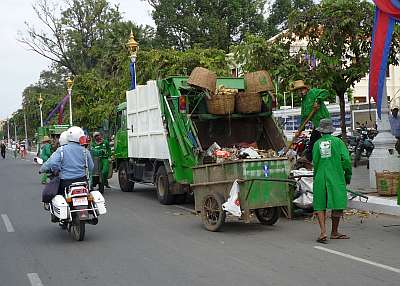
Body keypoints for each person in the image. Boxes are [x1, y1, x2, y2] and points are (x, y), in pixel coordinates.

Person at [312, 118, 352, 244]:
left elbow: (316, 162)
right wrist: (348, 176)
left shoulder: (317, 144)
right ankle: (334, 232)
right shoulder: (338, 142)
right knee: (338, 202)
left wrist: (315, 177)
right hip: (336, 176)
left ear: (321, 131)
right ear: (331, 130)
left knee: (320, 203)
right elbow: (346, 160)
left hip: (320, 176)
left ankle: (323, 232)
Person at [40, 126, 94, 197]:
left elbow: (53, 163)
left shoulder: (61, 150)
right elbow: (91, 167)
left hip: (66, 181)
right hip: (82, 181)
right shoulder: (85, 151)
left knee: (56, 195)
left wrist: (56, 170)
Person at [292, 80, 331, 161]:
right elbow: (304, 117)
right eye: (298, 91)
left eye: (301, 90)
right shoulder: (303, 102)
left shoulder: (313, 92)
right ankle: (312, 158)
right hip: (317, 125)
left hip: (324, 122)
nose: (300, 92)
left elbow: (325, 92)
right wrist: (299, 130)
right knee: (314, 142)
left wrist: (317, 101)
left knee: (316, 141)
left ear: (305, 89)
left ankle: (310, 158)